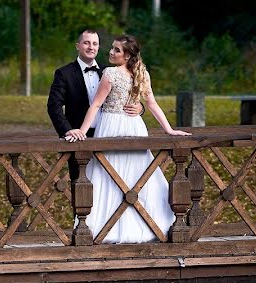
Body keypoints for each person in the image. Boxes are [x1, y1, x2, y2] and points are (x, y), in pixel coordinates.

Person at [68, 34, 191, 243]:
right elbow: (152, 104)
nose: (111, 52)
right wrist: (168, 129)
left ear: (126, 57)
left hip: (113, 125)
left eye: (117, 50)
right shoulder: (140, 73)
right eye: (113, 48)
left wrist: (82, 129)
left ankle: (111, 225)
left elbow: (97, 104)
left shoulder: (110, 73)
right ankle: (125, 223)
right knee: (125, 173)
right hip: (132, 126)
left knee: (124, 173)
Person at [47, 29, 142, 180]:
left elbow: (128, 96)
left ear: (98, 47)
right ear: (77, 46)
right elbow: (53, 106)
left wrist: (140, 108)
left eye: (95, 43)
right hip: (79, 136)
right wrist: (68, 131)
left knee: (112, 182)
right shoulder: (64, 73)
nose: (91, 47)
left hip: (107, 132)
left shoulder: (110, 71)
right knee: (80, 183)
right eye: (86, 43)